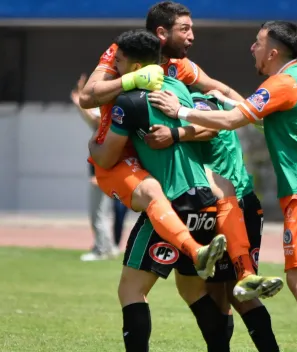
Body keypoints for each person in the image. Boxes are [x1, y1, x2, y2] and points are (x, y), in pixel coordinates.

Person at [151, 20, 297, 352]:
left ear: (272, 51)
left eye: (257, 43)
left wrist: (180, 110)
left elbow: (233, 121)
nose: (252, 48)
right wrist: (227, 100)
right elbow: (252, 115)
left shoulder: (282, 82)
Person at [90, 29, 283, 352]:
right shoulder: (180, 89)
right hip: (208, 204)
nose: (116, 68)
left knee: (131, 290)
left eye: (120, 62)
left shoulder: (129, 100)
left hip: (172, 204)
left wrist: (92, 144)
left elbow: (107, 155)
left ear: (136, 67)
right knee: (197, 290)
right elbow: (209, 122)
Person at [80, 1, 263, 289]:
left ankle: (244, 273)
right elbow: (87, 97)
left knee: (223, 187)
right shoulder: (123, 53)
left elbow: (221, 91)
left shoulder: (180, 69)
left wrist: (254, 113)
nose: (192, 36)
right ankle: (197, 254)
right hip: (116, 157)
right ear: (162, 33)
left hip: (157, 160)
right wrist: (132, 79)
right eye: (185, 29)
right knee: (151, 199)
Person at [144, 91, 280, 351]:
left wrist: (172, 134)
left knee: (213, 291)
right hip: (239, 201)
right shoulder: (206, 97)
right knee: (226, 293)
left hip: (227, 206)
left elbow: (208, 126)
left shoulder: (194, 100)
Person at [70, 75, 118, 261]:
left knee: (98, 214)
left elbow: (94, 120)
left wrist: (80, 101)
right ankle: (109, 247)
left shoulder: (107, 125)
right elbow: (92, 120)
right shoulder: (107, 127)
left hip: (102, 175)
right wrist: (79, 101)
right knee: (103, 214)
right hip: (103, 174)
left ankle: (102, 249)